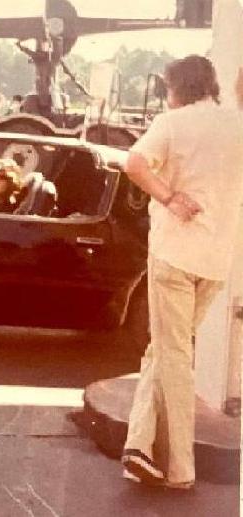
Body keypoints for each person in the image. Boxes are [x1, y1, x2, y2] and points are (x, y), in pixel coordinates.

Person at [120, 55, 243, 490]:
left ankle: (180, 469)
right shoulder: (236, 124)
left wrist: (169, 197)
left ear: (177, 89)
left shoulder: (172, 123)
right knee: (163, 349)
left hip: (173, 254)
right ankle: (137, 445)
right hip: (215, 261)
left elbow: (133, 164)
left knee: (172, 356)